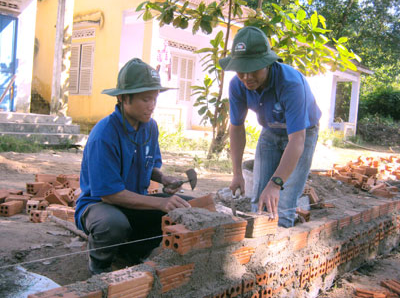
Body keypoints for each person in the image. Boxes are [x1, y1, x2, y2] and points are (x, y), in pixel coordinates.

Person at [74, 58, 192, 275]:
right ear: (123, 98)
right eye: (146, 99)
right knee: (112, 224)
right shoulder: (104, 135)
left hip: (133, 201)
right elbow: (110, 195)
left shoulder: (150, 127)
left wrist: (163, 179)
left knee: (188, 207)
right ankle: (99, 267)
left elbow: (149, 164)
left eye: (154, 99)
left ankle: (131, 253)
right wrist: (159, 204)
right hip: (99, 204)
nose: (152, 106)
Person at [219, 26, 321, 228]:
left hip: (303, 133)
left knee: (284, 199)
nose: (247, 77)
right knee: (259, 200)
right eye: (242, 70)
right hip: (270, 131)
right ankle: (257, 245)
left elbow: (297, 140)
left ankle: (281, 247)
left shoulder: (290, 84)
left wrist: (276, 183)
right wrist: (237, 173)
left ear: (267, 63)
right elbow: (237, 128)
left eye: (254, 69)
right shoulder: (237, 85)